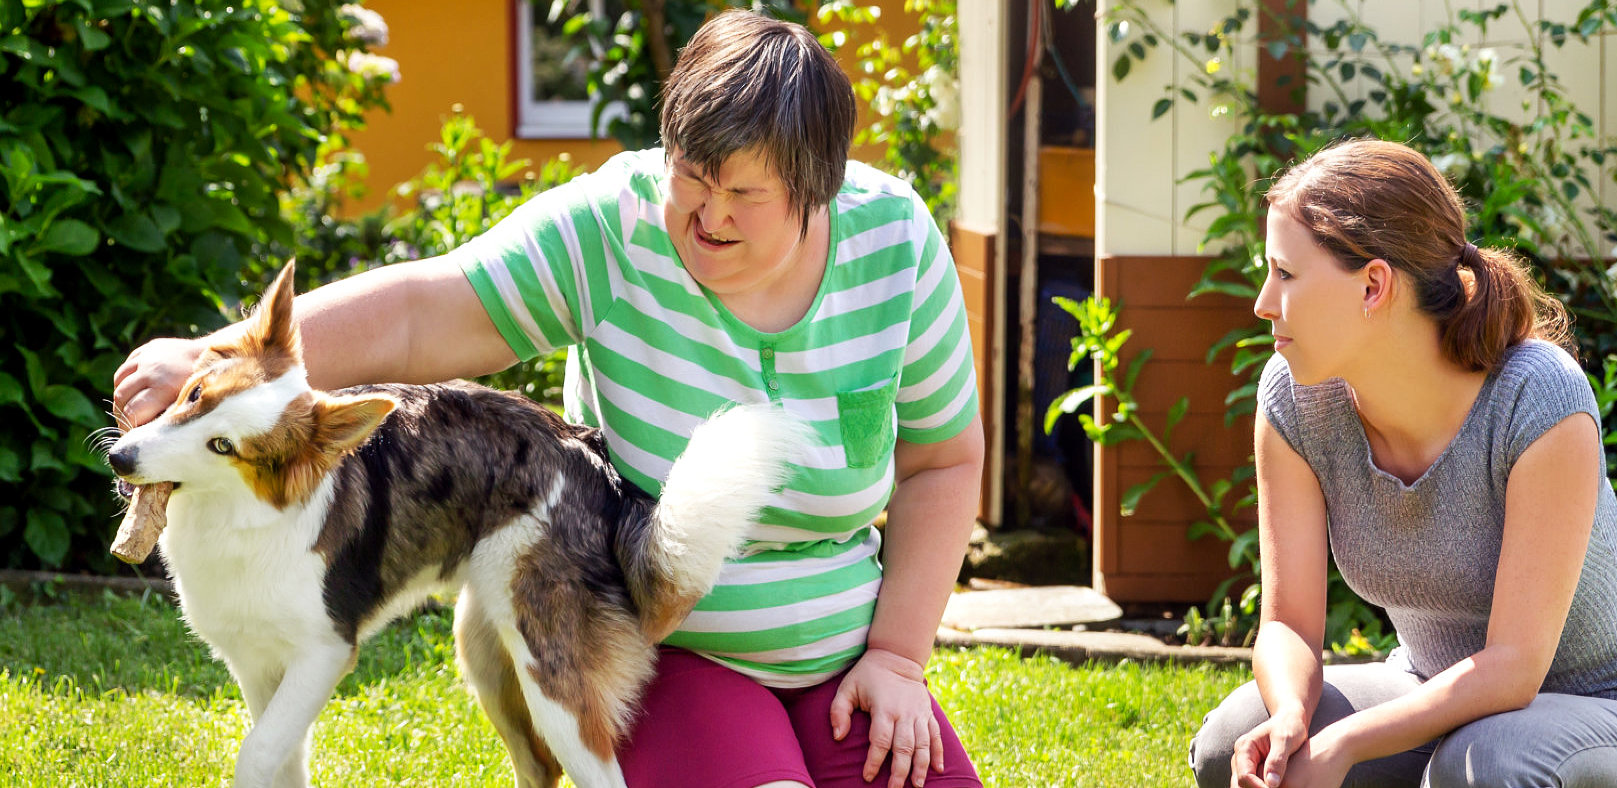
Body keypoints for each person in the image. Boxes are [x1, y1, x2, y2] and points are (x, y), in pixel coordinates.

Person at [112, 11, 984, 788]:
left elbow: (943, 462)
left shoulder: (895, 242)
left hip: (849, 661)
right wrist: (212, 358)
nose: (708, 214)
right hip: (663, 642)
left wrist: (898, 660)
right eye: (693, 174)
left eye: (745, 193)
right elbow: (425, 310)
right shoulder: (617, 224)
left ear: (816, 187)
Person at [1186, 139, 1617, 788]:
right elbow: (1288, 624)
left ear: (1374, 285)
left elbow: (1513, 667)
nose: (1263, 302)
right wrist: (1292, 713)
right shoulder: (1294, 399)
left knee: (1486, 764)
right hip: (1436, 697)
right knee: (1240, 741)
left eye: (1285, 274)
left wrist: (1346, 743)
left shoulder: (1538, 395)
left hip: (1615, 718)